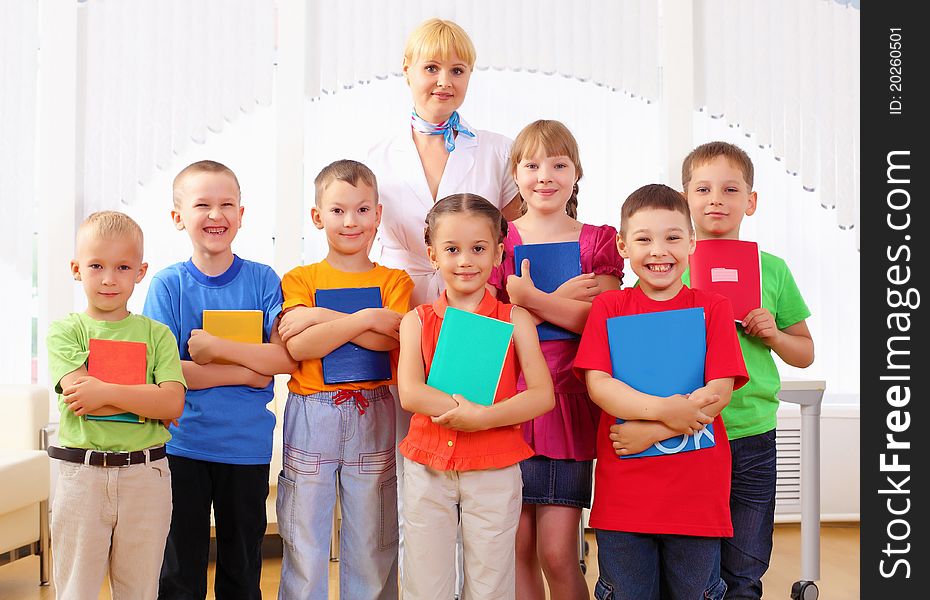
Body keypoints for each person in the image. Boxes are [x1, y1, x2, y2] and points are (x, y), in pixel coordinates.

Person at [365, 17, 522, 577]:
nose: (443, 81)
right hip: (405, 308)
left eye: (458, 70)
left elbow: (513, 232)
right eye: (431, 67)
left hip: (479, 312)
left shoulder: (501, 151)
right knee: (420, 455)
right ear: (406, 70)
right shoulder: (376, 156)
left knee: (481, 449)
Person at [574, 184, 749, 600]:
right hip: (625, 498)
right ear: (622, 245)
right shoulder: (609, 308)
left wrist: (653, 431)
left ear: (691, 242)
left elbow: (719, 391)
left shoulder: (713, 307)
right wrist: (669, 411)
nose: (659, 250)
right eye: (643, 239)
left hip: (696, 497)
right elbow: (600, 385)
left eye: (672, 237)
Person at [143, 160, 297, 599]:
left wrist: (214, 352)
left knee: (242, 567)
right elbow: (168, 373)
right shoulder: (168, 285)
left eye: (227, 203)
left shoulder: (263, 279)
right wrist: (249, 371)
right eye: (203, 205)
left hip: (245, 448)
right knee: (178, 569)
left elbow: (283, 358)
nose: (216, 214)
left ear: (242, 214)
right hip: (181, 446)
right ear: (178, 218)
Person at [488, 120, 622, 600]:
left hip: (568, 404)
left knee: (558, 552)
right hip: (510, 405)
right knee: (515, 548)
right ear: (515, 174)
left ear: (576, 172)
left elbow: (603, 323)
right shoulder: (498, 241)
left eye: (558, 164)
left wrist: (531, 298)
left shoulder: (599, 239)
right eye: (532, 165)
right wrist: (557, 300)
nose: (545, 175)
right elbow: (492, 324)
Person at [671, 141, 812, 598]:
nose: (716, 199)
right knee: (693, 560)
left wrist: (773, 335)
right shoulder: (667, 266)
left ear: (750, 202)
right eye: (704, 188)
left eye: (731, 189)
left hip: (752, 429)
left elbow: (804, 352)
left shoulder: (773, 270)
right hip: (690, 428)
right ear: (685, 198)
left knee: (746, 561)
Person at [396, 193, 554, 600]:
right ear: (432, 255)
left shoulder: (516, 320)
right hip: (427, 465)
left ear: (499, 253)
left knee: (490, 581)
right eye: (452, 249)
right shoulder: (415, 321)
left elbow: (541, 396)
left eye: (478, 249)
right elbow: (411, 393)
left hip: (494, 465)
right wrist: (461, 412)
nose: (465, 260)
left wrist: (481, 419)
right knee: (424, 580)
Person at [274, 159, 414, 599]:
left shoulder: (396, 279)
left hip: (373, 412)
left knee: (373, 540)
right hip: (312, 414)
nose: (350, 221)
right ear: (317, 217)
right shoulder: (300, 278)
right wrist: (366, 319)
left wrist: (322, 318)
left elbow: (393, 337)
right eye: (337, 211)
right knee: (304, 538)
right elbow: (298, 348)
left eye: (362, 210)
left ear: (377, 214)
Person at [46, 211, 186, 598]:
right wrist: (147, 400)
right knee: (77, 590)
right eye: (96, 266)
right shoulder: (66, 331)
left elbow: (174, 402)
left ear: (140, 272)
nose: (109, 278)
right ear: (77, 269)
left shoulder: (157, 335)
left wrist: (103, 392)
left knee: (140, 591)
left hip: (147, 476)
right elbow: (79, 398)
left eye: (122, 267)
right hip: (82, 477)